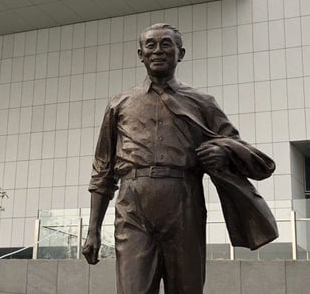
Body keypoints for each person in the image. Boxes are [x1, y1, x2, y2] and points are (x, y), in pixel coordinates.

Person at [82, 23, 277, 294]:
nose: (158, 50)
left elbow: (236, 144)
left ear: (180, 53)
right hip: (132, 205)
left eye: (166, 44)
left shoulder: (202, 101)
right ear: (140, 54)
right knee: (132, 289)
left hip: (183, 202)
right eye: (150, 45)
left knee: (187, 288)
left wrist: (223, 150)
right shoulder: (120, 103)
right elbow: (102, 169)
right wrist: (93, 229)